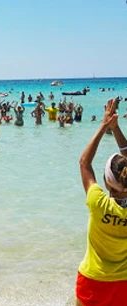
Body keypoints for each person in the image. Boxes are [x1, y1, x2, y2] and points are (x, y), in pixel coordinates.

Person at [76, 98, 127, 306]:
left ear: (107, 182)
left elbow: (84, 163)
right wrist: (116, 130)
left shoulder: (98, 203)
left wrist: (105, 125)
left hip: (93, 279)